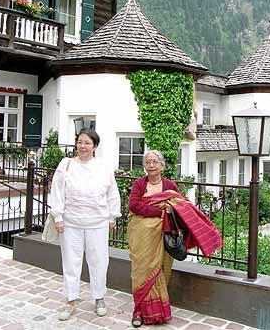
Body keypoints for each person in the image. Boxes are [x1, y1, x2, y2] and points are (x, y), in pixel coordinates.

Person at [128, 150, 222, 327]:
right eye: (148, 162)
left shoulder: (170, 185)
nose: (151, 165)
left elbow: (183, 206)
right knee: (141, 272)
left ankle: (158, 313)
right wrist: (160, 211)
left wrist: (171, 209)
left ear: (162, 165)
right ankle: (138, 311)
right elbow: (134, 205)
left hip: (164, 236)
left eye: (155, 162)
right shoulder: (140, 184)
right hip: (142, 236)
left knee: (161, 271)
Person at [49, 128, 121, 321]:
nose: (83, 146)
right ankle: (71, 300)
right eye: (80, 142)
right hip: (71, 223)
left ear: (95, 146)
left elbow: (112, 193)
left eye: (87, 143)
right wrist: (58, 217)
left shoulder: (103, 167)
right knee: (71, 262)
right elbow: (57, 191)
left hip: (97, 223)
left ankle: (99, 297)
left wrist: (112, 217)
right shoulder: (66, 165)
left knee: (98, 261)